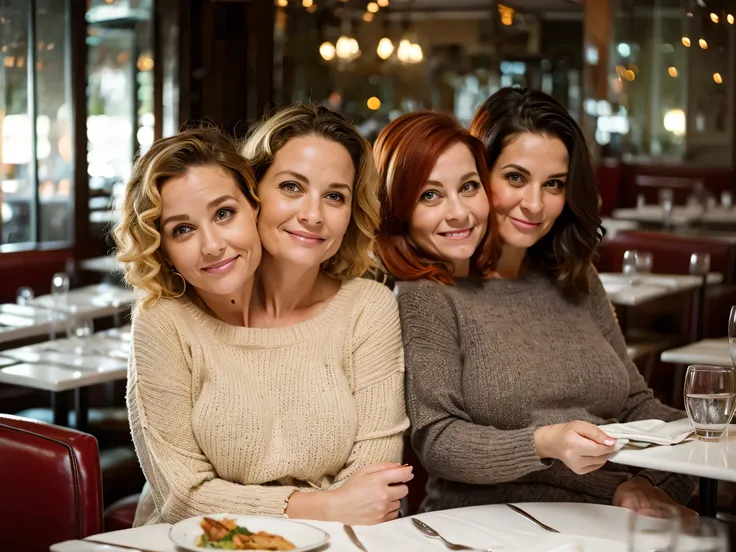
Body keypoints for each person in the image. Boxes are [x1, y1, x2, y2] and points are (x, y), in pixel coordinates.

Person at [374, 96, 695, 514]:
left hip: (613, 513)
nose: (535, 205)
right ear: (481, 170)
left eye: (554, 184)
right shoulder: (429, 293)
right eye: (515, 177)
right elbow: (441, 441)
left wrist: (668, 474)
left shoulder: (574, 276)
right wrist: (609, 488)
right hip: (494, 521)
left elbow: (636, 404)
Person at [115, 125, 409, 527]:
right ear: (259, 194)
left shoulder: (367, 308)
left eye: (335, 196)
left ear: (248, 205)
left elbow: (372, 489)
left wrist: (335, 509)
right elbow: (183, 497)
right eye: (291, 187)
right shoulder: (164, 320)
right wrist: (322, 505)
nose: (311, 214)